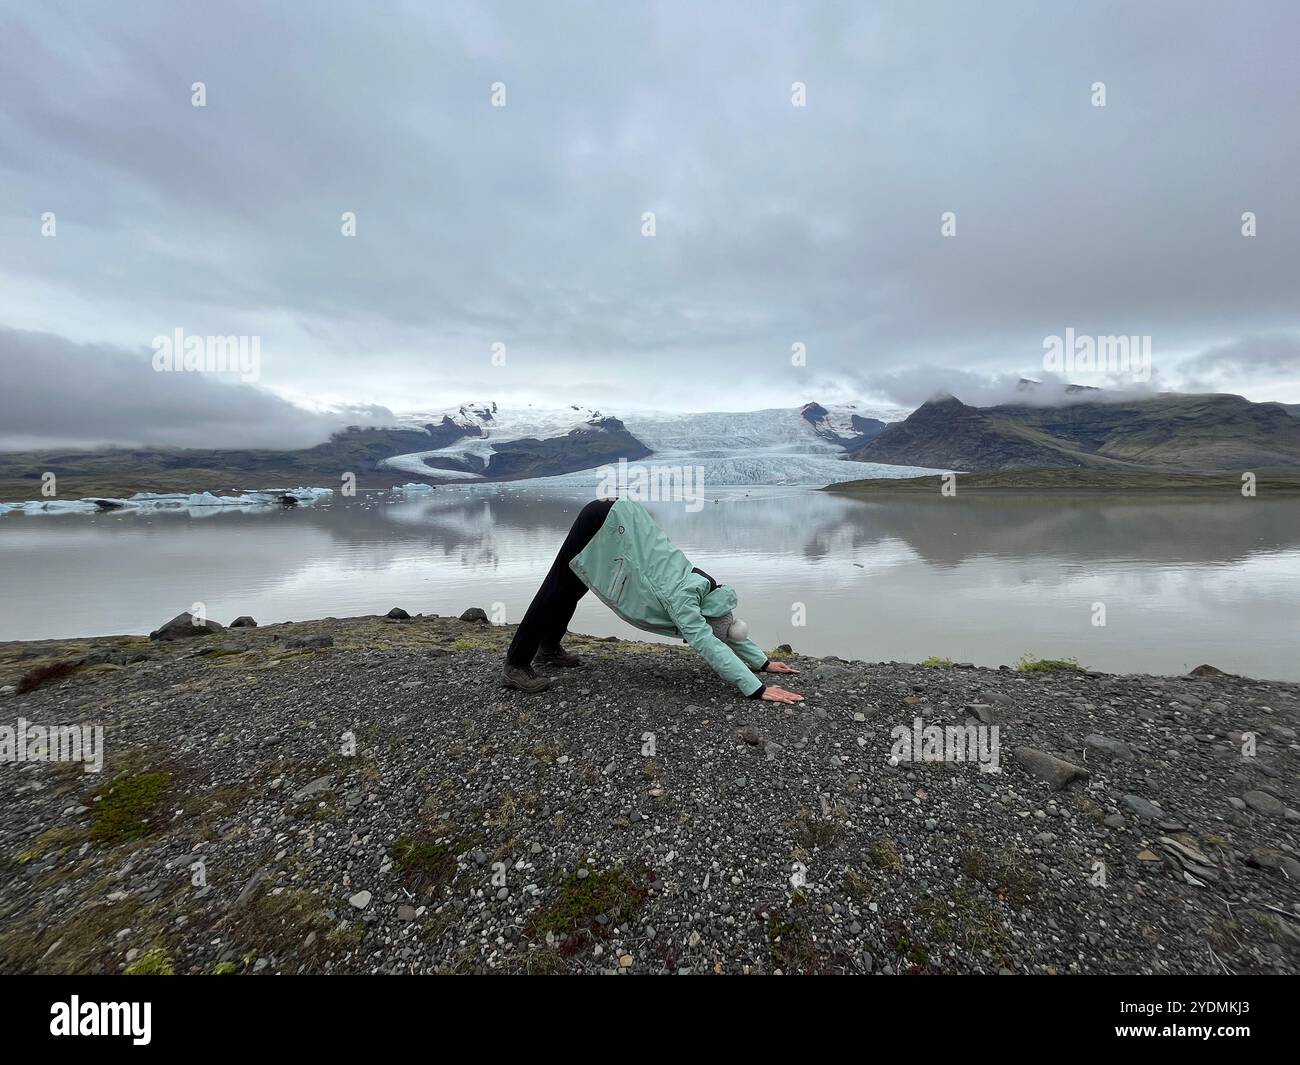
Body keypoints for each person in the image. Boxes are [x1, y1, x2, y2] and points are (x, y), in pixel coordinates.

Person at [502, 496, 803, 702]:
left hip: (618, 517)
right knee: (557, 588)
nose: (723, 633)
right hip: (604, 522)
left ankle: (549, 649)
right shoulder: (684, 600)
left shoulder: (709, 591)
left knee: (572, 586)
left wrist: (761, 662)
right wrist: (756, 688)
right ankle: (516, 665)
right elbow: (710, 642)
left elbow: (726, 629)